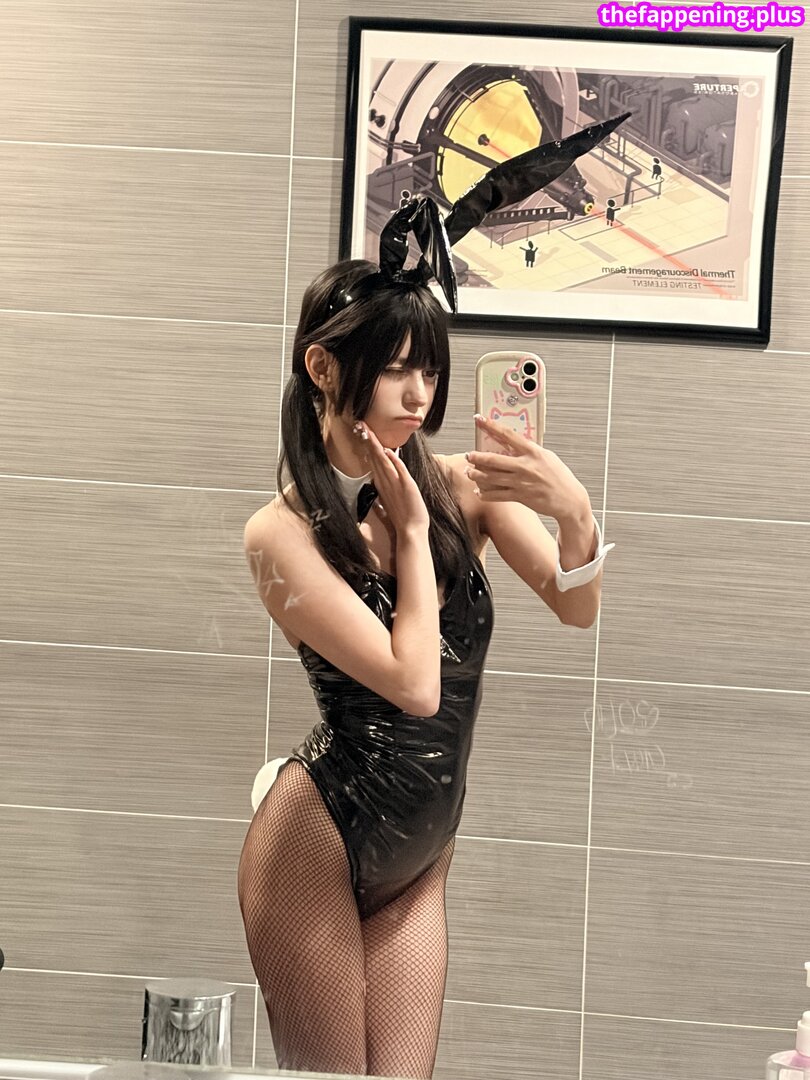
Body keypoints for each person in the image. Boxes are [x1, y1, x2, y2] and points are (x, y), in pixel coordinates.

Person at [237, 260, 614, 1073]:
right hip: (318, 836)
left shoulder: (463, 488)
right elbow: (413, 685)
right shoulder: (280, 534)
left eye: (431, 372)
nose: (418, 396)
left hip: (422, 853)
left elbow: (575, 605)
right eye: (396, 369)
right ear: (323, 366)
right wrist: (411, 534)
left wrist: (575, 513)